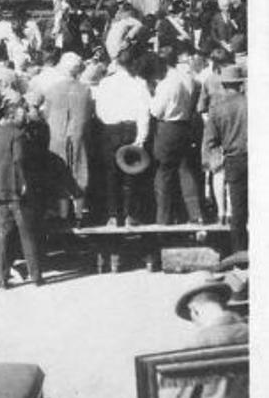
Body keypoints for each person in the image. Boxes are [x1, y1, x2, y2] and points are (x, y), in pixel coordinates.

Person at [0, 98, 43, 288]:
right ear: (11, 117)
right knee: (27, 234)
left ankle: (1, 278)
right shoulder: (18, 134)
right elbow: (19, 161)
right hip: (17, 192)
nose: (24, 121)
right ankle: (36, 276)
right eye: (21, 117)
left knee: (2, 235)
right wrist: (24, 185)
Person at [94, 49, 151, 227]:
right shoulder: (139, 83)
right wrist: (141, 137)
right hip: (131, 128)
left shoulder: (105, 83)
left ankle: (112, 215)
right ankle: (129, 215)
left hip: (110, 129)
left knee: (111, 173)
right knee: (131, 173)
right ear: (133, 63)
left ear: (117, 63)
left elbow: (100, 111)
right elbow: (144, 112)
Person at [150, 47, 203, 225]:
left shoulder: (166, 83)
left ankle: (163, 218)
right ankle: (196, 214)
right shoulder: (188, 78)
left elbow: (156, 111)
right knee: (185, 170)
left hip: (168, 127)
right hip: (185, 126)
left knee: (164, 172)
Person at [38, 52, 93, 224]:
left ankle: (62, 214)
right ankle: (78, 214)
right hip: (77, 134)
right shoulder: (85, 90)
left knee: (59, 171)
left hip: (57, 135)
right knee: (79, 169)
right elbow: (89, 113)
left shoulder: (52, 90)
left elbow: (46, 113)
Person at [204, 64, 247, 251]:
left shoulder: (217, 109)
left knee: (238, 211)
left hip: (234, 159)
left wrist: (214, 162)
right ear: (241, 85)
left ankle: (240, 253)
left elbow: (211, 142)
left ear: (223, 85)